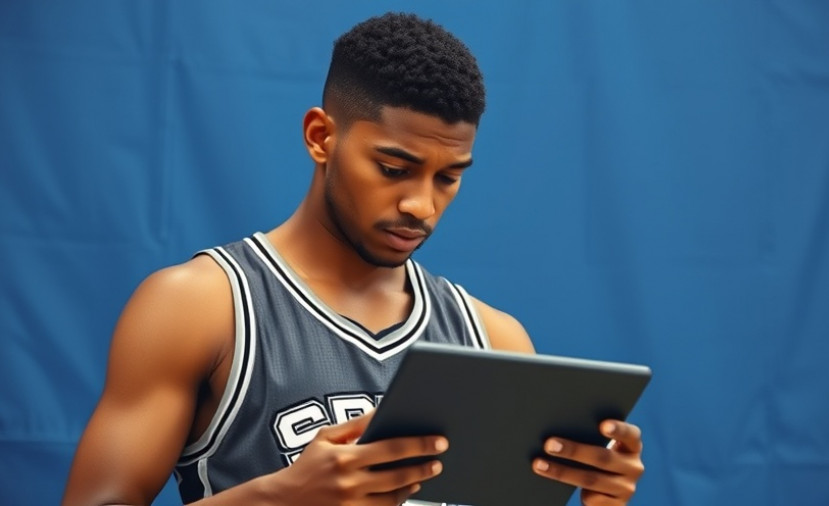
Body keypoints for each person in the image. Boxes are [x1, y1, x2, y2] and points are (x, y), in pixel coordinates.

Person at [63, 12, 645, 506]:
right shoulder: (200, 305)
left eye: (448, 177)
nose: (421, 206)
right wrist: (281, 497)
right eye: (393, 169)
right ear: (321, 137)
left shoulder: (494, 340)